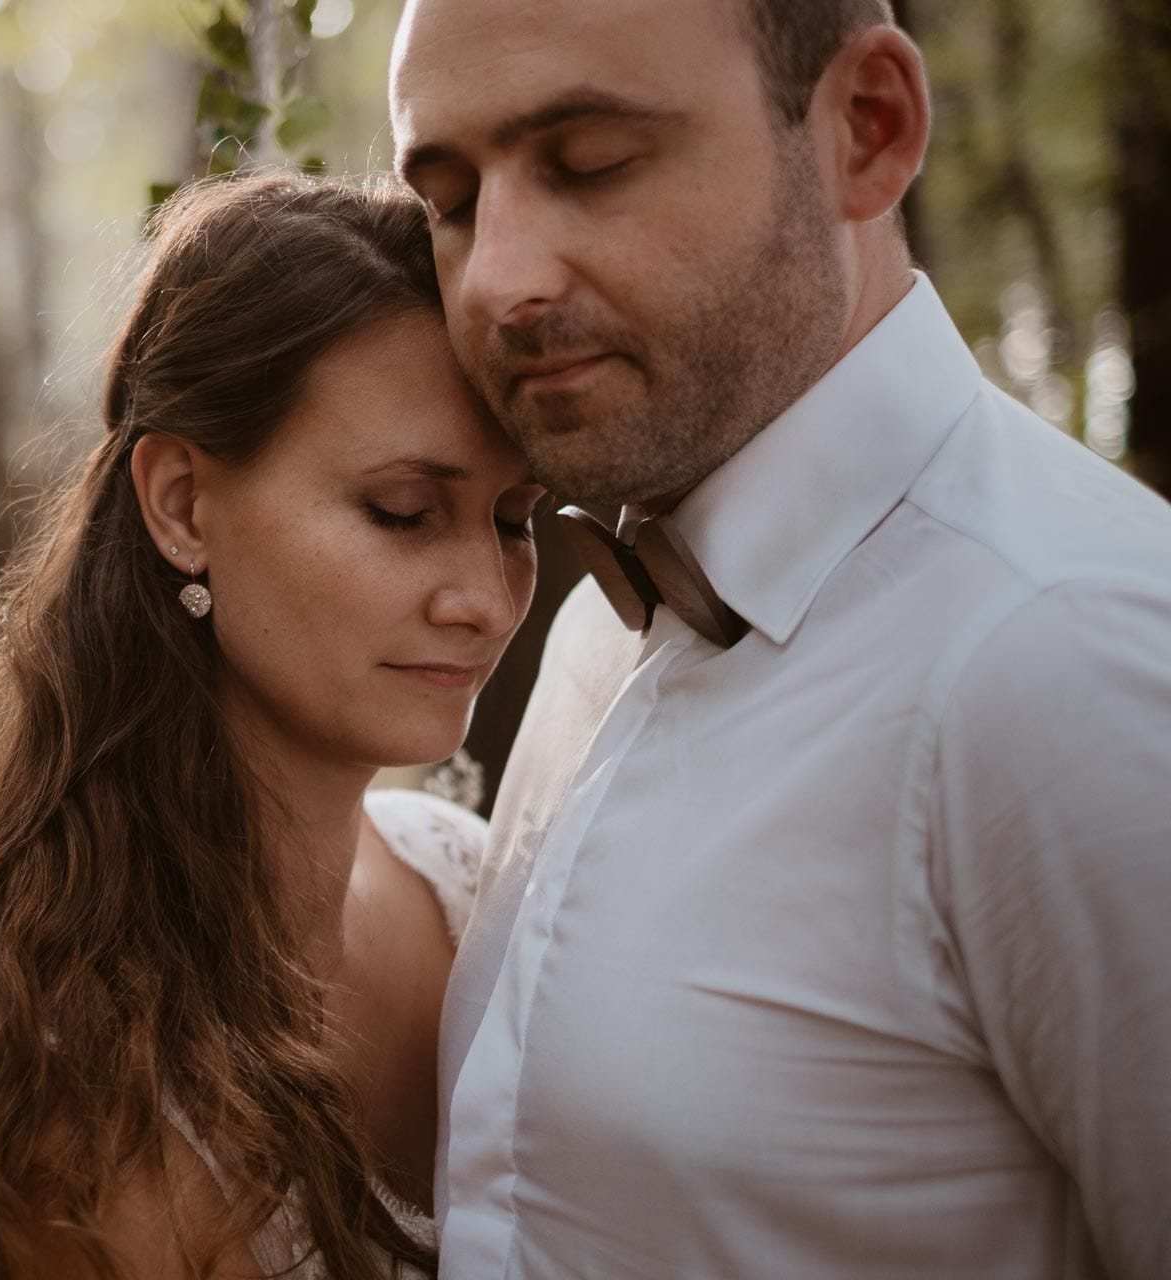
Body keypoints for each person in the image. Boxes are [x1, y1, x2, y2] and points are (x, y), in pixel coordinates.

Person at [388, 0, 1171, 1275]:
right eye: (451, 200)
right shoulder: (599, 623)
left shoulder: (1073, 660)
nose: (496, 279)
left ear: (865, 129)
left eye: (590, 164)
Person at [0, 171, 546, 1279]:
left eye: (513, 519)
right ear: (182, 504)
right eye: (403, 511)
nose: (483, 592)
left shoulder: (474, 896)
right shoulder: (66, 1105)